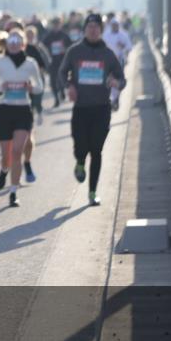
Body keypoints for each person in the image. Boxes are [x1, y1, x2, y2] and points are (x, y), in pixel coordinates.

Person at [59, 13, 125, 207]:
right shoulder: (75, 51)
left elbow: (122, 79)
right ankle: (80, 162)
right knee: (81, 147)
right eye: (90, 27)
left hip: (101, 109)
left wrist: (116, 83)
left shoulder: (108, 54)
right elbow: (62, 72)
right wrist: (69, 86)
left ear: (101, 31)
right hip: (81, 108)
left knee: (96, 150)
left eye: (97, 27)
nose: (93, 30)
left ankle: (92, 192)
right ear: (85, 30)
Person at [0, 25, 44, 207]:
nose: (14, 43)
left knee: (17, 151)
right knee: (7, 156)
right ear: (6, 43)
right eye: (11, 40)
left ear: (23, 44)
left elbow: (40, 86)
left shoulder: (30, 63)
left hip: (23, 111)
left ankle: (13, 192)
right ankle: (4, 170)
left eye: (17, 40)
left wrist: (31, 88)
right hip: (4, 110)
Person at [101, 18, 133, 111]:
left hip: (119, 61)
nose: (115, 27)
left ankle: (116, 99)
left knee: (118, 80)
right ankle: (111, 99)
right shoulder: (106, 35)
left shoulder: (123, 35)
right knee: (109, 80)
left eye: (116, 25)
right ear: (111, 25)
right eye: (113, 25)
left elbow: (129, 47)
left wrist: (123, 46)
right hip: (107, 62)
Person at [42, 17, 72, 107]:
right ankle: (56, 99)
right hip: (52, 61)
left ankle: (62, 91)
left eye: (57, 24)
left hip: (62, 61)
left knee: (61, 78)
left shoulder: (64, 35)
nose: (56, 26)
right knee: (52, 81)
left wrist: (65, 49)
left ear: (60, 25)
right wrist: (48, 51)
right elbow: (43, 46)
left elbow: (71, 48)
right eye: (54, 24)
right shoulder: (48, 36)